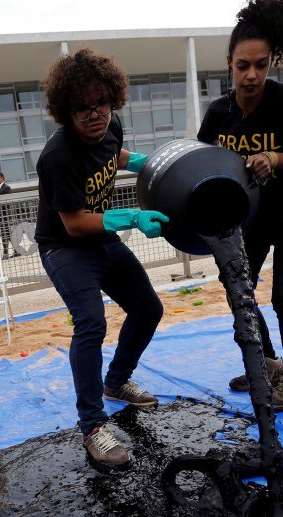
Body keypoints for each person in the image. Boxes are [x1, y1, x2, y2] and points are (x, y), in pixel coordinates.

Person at [35, 48, 168, 470]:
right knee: (91, 322)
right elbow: (74, 224)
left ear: (113, 99)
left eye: (101, 104)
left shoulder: (112, 128)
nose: (95, 115)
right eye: (83, 108)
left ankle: (116, 382)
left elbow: (114, 154)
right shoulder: (57, 157)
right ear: (65, 111)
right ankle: (93, 425)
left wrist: (146, 163)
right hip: (66, 246)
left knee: (148, 307)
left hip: (102, 237)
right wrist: (128, 216)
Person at [197, 0, 283, 411]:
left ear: (272, 63)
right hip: (252, 216)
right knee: (240, 292)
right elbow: (204, 159)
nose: (252, 75)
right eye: (243, 65)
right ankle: (264, 362)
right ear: (229, 62)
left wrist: (275, 158)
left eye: (261, 65)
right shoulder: (219, 112)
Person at [0, 172, 15, 258]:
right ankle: (15, 250)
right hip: (0, 217)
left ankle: (6, 253)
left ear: (1, 178)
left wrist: (0, 212)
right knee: (7, 233)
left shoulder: (6, 188)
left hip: (5, 216)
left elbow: (7, 203)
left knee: (5, 233)